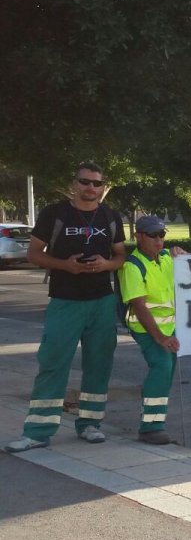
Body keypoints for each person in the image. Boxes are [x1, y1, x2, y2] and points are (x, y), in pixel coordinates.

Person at [6, 162, 126, 452]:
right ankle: (37, 431)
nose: (91, 188)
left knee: (99, 365)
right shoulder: (54, 213)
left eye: (97, 183)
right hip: (64, 300)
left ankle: (90, 424)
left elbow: (120, 256)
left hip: (101, 300)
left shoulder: (110, 216)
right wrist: (66, 266)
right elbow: (34, 254)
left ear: (102, 186)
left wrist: (105, 265)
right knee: (53, 363)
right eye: (85, 182)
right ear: (75, 184)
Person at [118, 215, 188, 444]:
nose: (159, 240)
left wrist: (185, 255)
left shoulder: (167, 257)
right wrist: (160, 338)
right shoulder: (132, 266)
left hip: (170, 327)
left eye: (162, 235)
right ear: (138, 236)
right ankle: (150, 428)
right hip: (148, 330)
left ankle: (155, 415)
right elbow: (139, 306)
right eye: (152, 235)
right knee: (161, 366)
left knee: (166, 372)